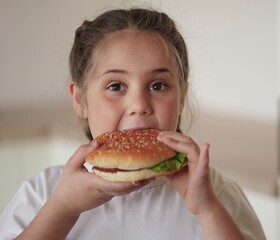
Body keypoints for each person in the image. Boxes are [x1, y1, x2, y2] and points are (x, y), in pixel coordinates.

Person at [0, 7, 266, 240]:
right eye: (116, 86)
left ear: (182, 97)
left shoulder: (216, 194)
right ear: (80, 100)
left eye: (158, 85)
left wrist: (207, 210)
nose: (139, 104)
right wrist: (63, 208)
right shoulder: (43, 193)